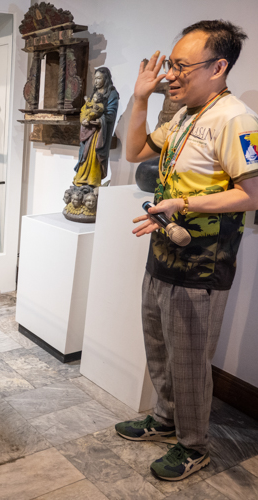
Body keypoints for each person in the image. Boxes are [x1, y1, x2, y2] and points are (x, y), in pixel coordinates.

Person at [116, 20, 258, 481]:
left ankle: (194, 445)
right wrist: (140, 98)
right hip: (163, 251)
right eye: (170, 65)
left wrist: (184, 203)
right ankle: (165, 419)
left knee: (190, 358)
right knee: (159, 345)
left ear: (219, 66)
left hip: (203, 264)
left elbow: (252, 195)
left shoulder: (236, 118)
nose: (171, 76)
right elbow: (135, 151)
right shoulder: (183, 114)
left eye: (182, 67)